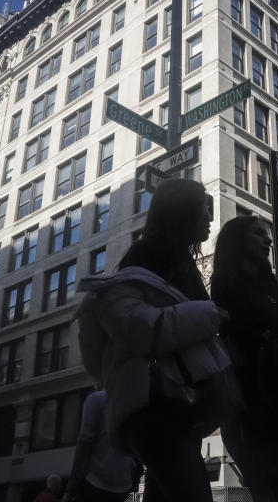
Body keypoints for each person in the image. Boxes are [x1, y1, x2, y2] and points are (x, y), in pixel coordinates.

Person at [76, 178, 234, 502]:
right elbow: (136, 327)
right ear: (184, 213)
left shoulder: (178, 261)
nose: (210, 219)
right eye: (204, 211)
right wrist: (209, 315)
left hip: (173, 404)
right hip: (153, 405)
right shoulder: (144, 257)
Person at [210, 216, 278, 502]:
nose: (268, 240)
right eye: (258, 233)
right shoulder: (224, 281)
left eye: (267, 235)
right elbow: (236, 334)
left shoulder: (270, 284)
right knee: (269, 485)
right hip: (252, 400)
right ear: (238, 239)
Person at [62, 391, 141, 501]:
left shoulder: (96, 399)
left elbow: (84, 442)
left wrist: (72, 485)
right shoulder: (135, 402)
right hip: (123, 485)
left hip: (96, 480)